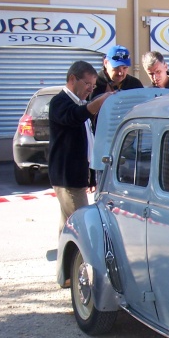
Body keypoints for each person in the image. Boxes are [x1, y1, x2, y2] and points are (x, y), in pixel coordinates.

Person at [48, 61, 113, 233]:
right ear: (72, 79)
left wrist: (90, 175)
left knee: (68, 224)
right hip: (67, 178)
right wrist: (99, 102)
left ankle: (65, 259)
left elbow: (88, 144)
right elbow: (75, 116)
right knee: (81, 226)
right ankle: (80, 259)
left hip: (76, 177)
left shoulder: (78, 103)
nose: (91, 89)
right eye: (87, 84)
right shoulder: (59, 102)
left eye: (93, 86)